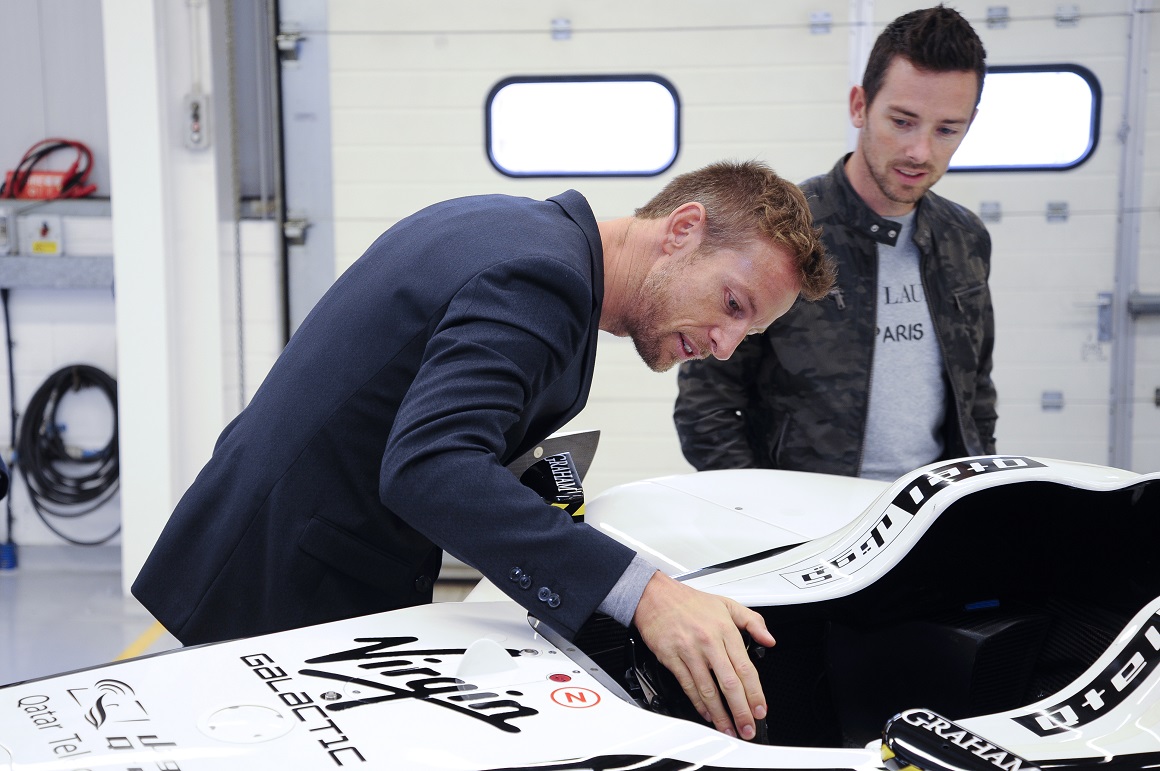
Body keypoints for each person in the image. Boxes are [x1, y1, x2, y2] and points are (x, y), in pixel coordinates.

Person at [132, 160, 835, 741]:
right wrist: (646, 593)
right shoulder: (545, 282)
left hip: (266, 556)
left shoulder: (518, 229)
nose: (724, 345)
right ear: (684, 230)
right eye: (734, 305)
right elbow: (429, 468)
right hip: (285, 595)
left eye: (748, 332)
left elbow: (418, 414)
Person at [674, 6, 997, 481]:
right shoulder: (779, 231)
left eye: (947, 129)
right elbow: (706, 406)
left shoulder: (965, 238)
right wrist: (767, 517)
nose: (920, 151)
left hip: (931, 517)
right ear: (859, 106)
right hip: (807, 527)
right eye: (903, 121)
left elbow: (977, 397)